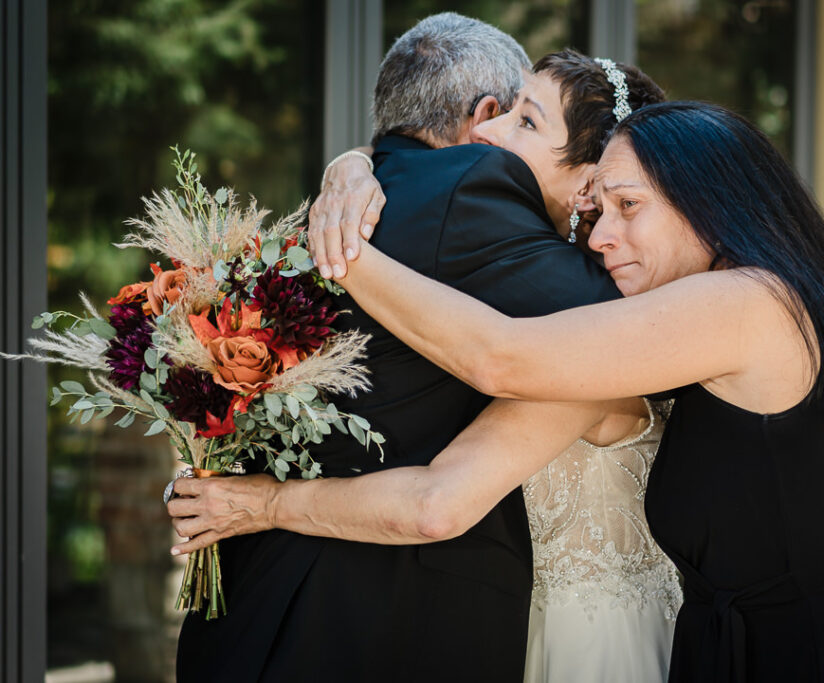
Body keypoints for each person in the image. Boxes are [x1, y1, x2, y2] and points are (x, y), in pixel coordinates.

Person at [245, 100, 824, 682]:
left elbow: (500, 357)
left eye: (627, 206)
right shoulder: (739, 319)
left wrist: (341, 250)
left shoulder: (749, 302)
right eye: (594, 211)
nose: (603, 236)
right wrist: (351, 165)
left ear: (711, 201)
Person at [170, 14, 677, 683]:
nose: (490, 136)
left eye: (525, 121)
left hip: (284, 605)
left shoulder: (364, 201)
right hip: (359, 618)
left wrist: (351, 172)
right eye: (506, 114)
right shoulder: (460, 195)